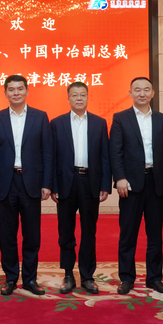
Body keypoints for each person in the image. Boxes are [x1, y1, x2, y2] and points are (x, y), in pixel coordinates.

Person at [109, 77, 163, 295]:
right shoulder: (120, 118)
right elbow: (115, 151)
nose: (142, 93)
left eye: (146, 89)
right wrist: (119, 178)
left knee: (155, 235)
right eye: (137, 90)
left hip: (156, 184)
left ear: (152, 93)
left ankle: (154, 278)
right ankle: (126, 278)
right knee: (128, 234)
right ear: (130, 93)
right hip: (130, 185)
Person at [0, 74, 53, 296]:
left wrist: (47, 183)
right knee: (7, 235)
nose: (16, 93)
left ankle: (30, 279)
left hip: (31, 182)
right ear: (5, 93)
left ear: (27, 91)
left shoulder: (40, 117)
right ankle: (10, 278)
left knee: (31, 235)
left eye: (20, 89)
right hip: (6, 183)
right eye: (11, 89)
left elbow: (47, 152)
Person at [51, 81, 111, 295]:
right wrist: (53, 185)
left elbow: (105, 155)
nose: (79, 98)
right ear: (68, 98)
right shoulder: (57, 123)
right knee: (66, 231)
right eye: (74, 95)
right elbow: (52, 157)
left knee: (89, 231)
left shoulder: (99, 123)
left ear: (87, 97)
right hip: (65, 183)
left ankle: (87, 275)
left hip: (90, 182)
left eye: (82, 95)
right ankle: (68, 274)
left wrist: (105, 184)